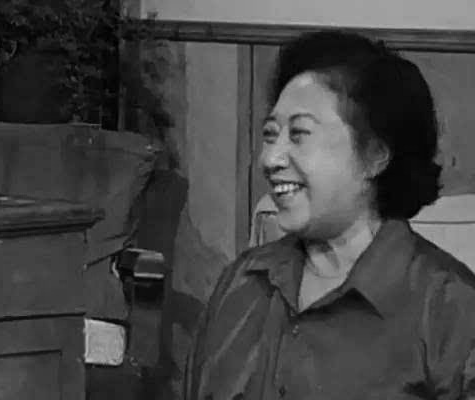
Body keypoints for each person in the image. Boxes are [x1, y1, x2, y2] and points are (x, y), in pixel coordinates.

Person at [184, 30, 475, 400]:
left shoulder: (449, 306)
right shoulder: (241, 282)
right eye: (270, 135)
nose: (270, 159)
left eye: (299, 134)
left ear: (374, 156)